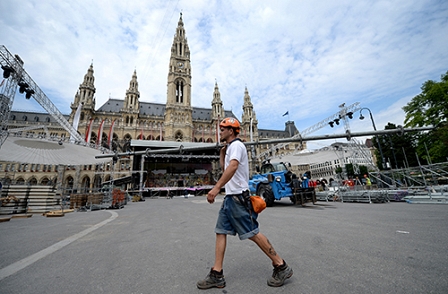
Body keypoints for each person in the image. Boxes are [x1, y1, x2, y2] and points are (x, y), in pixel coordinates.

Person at [197, 117, 293, 290]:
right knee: (221, 232)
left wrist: (216, 188)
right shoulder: (230, 149)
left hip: (238, 199)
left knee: (253, 233)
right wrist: (221, 155)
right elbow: (227, 167)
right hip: (230, 199)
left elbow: (233, 168)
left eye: (224, 129)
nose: (221, 131)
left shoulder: (237, 146)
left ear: (232, 131)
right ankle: (216, 274)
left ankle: (281, 266)